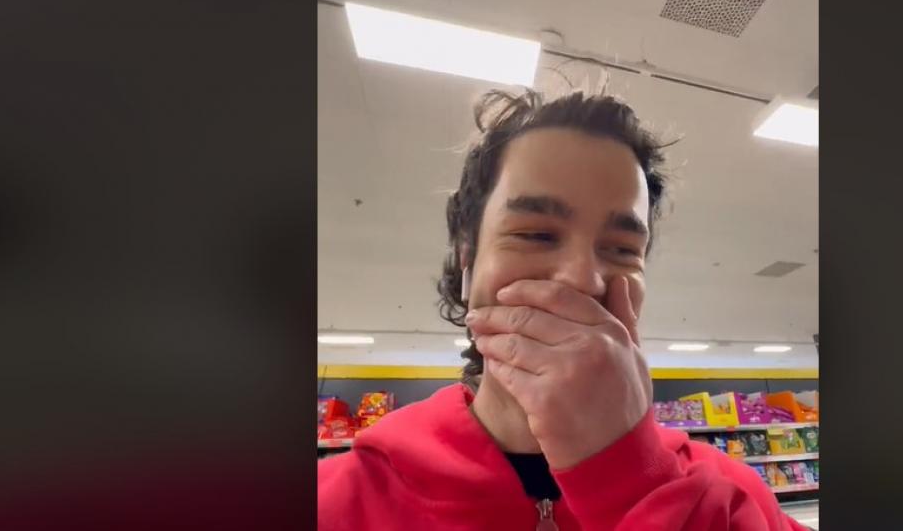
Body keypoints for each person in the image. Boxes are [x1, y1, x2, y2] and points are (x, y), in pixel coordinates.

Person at [318, 89, 808, 530]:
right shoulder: (335, 504)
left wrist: (639, 487)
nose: (581, 278)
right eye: (535, 234)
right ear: (468, 258)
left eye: (621, 248)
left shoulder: (735, 501)